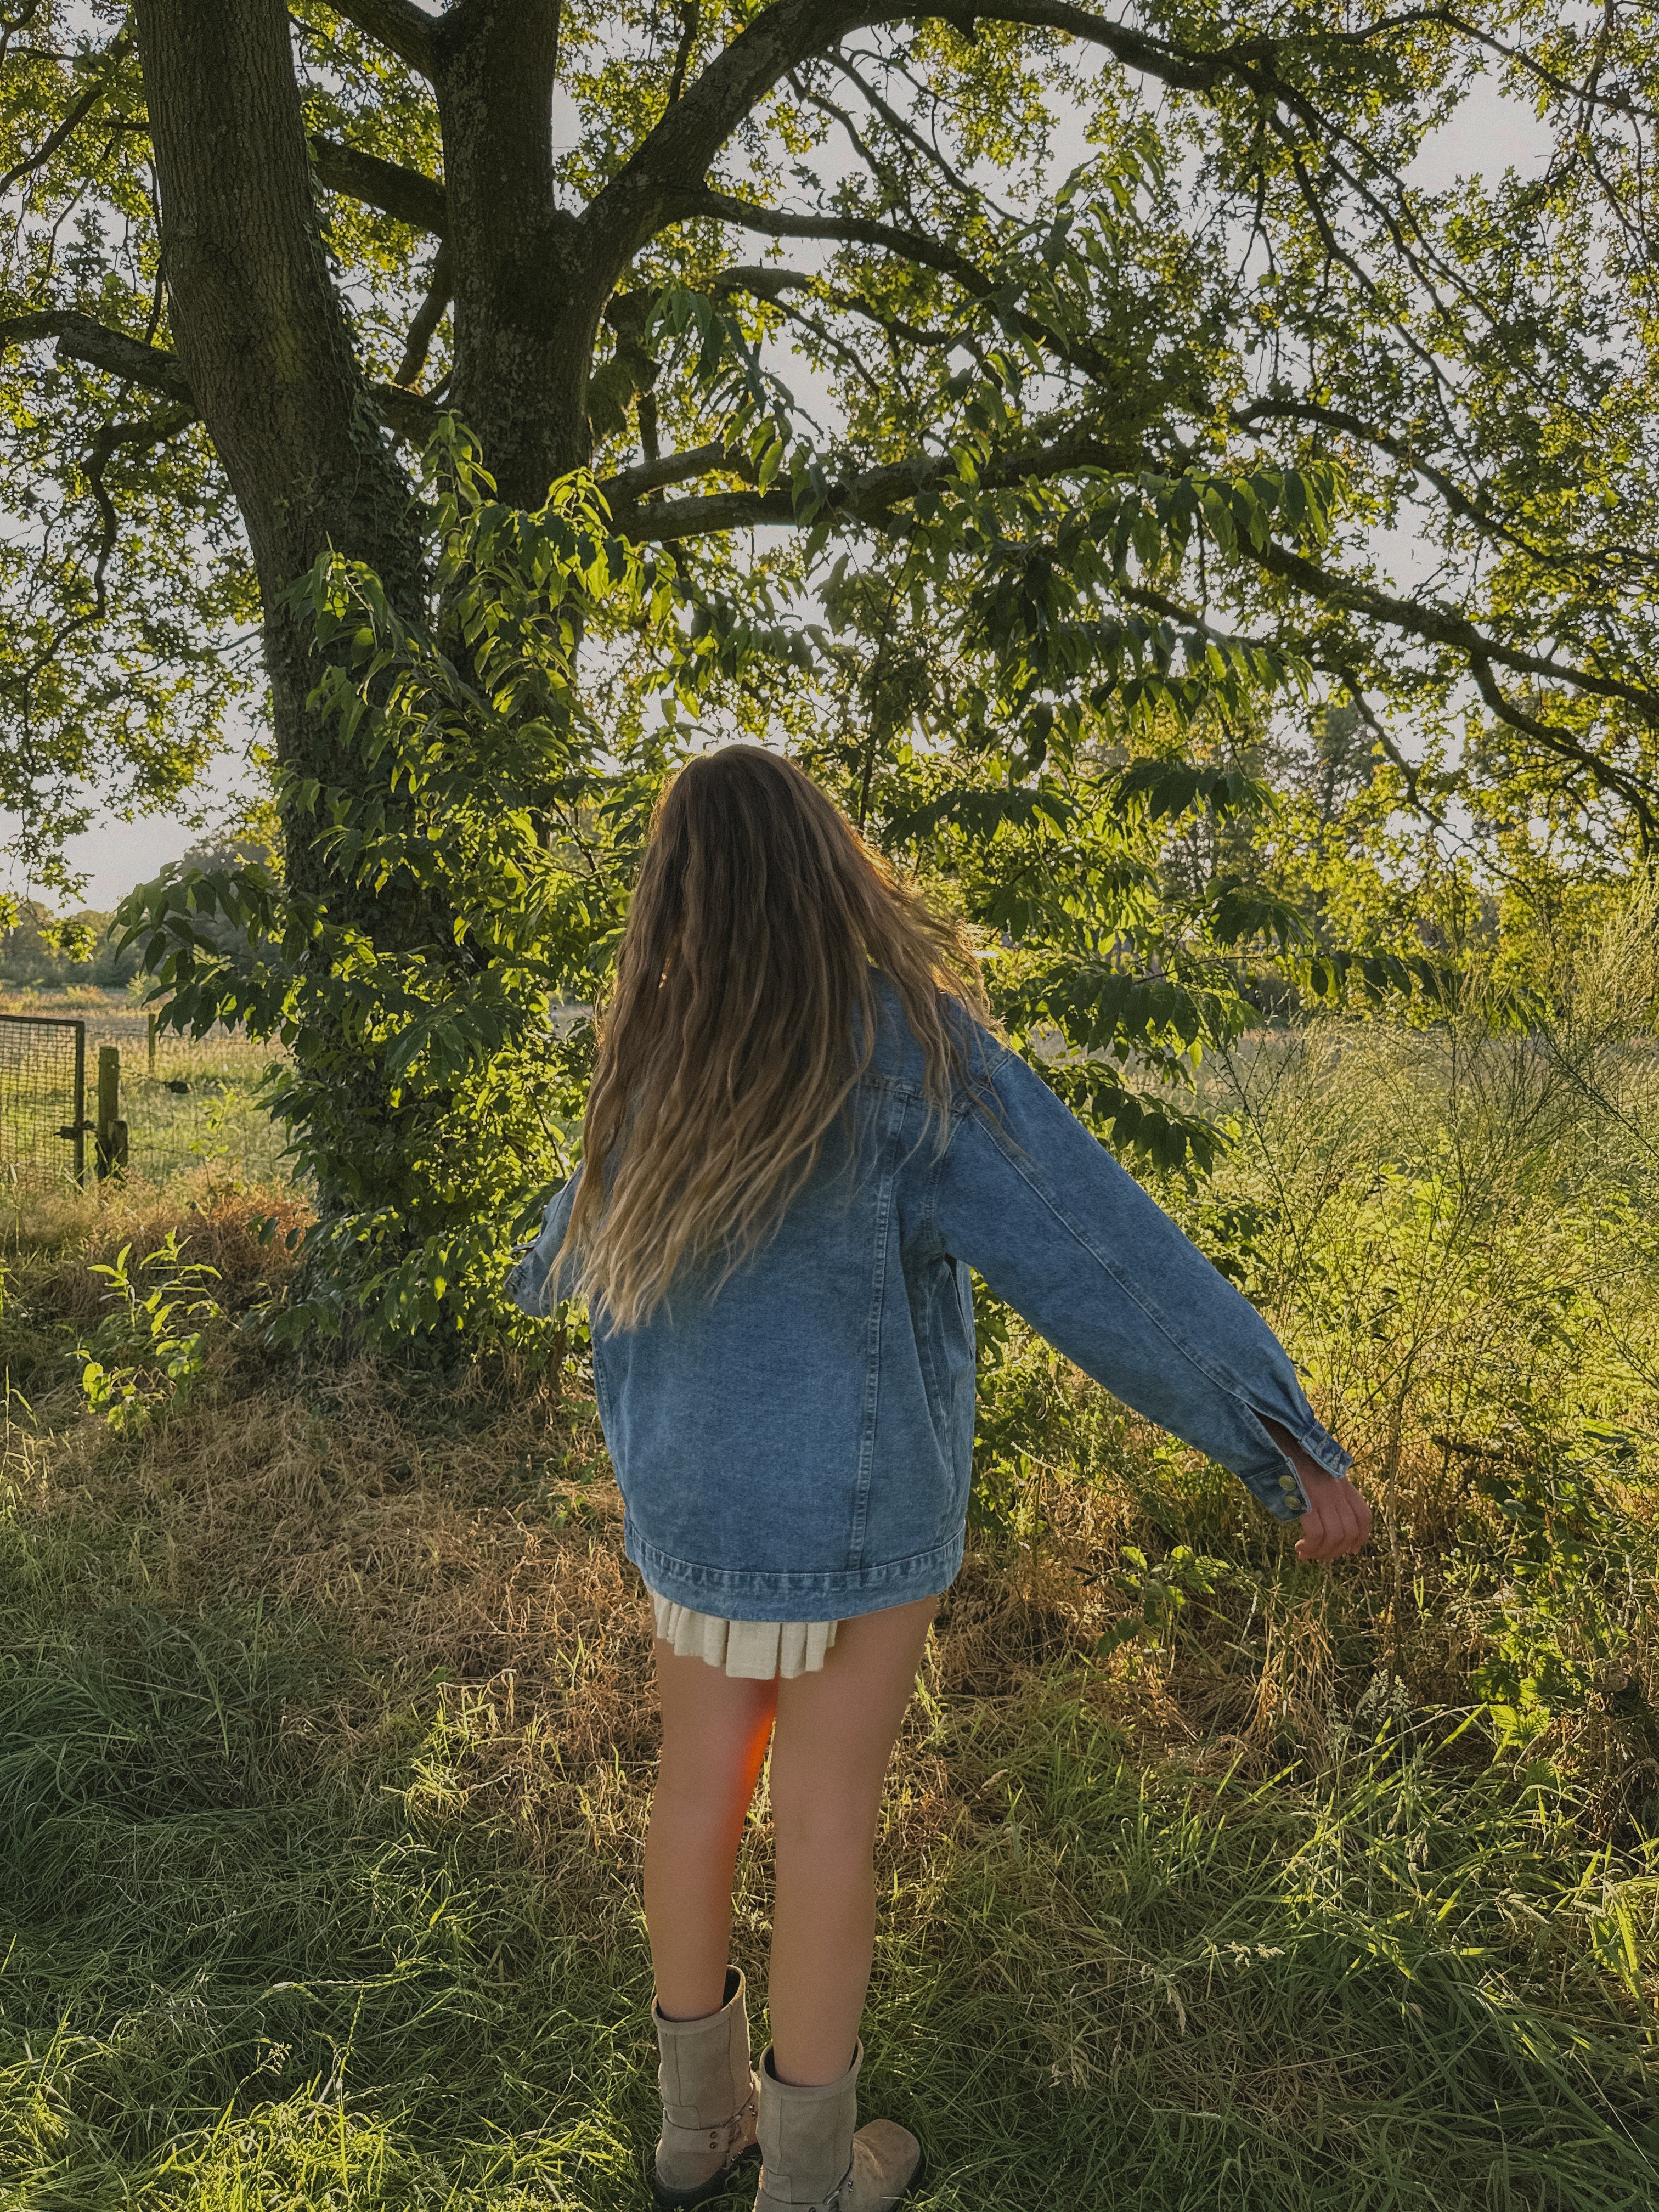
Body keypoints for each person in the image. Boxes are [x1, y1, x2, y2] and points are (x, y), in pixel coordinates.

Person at [509, 746, 1370, 2212]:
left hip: (694, 1521)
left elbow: (561, 1265)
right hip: (853, 1522)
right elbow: (1100, 1254)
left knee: (697, 1794)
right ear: (831, 870)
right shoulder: (908, 1050)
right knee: (826, 1817)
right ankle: (807, 2174)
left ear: (672, 897)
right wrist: (1276, 1435)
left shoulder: (652, 1065)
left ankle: (691, 2134)